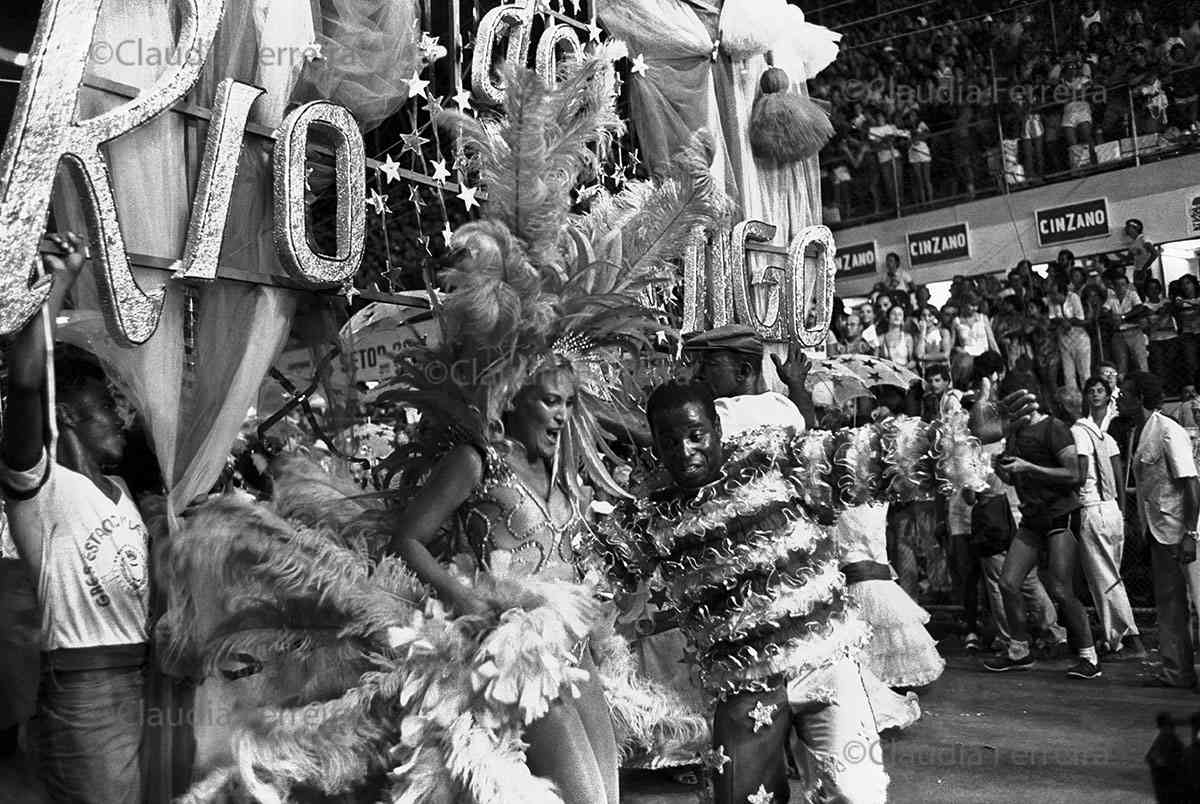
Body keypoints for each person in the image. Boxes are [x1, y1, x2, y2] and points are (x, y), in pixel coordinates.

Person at [599, 381, 888, 804]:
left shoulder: (773, 462)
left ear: (716, 428)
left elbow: (869, 457)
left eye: (697, 435)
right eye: (670, 441)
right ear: (655, 445)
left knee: (856, 792)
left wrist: (952, 445)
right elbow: (591, 574)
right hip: (743, 686)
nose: (686, 451)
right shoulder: (647, 513)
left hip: (826, 665)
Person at [1, 233, 149, 803]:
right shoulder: (39, 484)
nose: (120, 415)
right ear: (67, 413)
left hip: (138, 681)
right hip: (84, 693)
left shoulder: (119, 490)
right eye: (105, 406)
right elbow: (24, 383)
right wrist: (56, 284)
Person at [983, 379, 1099, 679]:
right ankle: (1019, 650)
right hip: (1033, 517)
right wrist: (1002, 468)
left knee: (1061, 588)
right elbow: (1013, 478)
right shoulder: (1016, 432)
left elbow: (1074, 474)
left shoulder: (1054, 428)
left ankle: (1089, 656)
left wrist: (1028, 467)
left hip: (1061, 514)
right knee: (1008, 582)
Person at [1121, 372, 1200, 690]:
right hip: (1158, 532)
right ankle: (1176, 671)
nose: (1120, 399)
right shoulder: (1136, 433)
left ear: (1140, 397)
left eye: (1125, 393)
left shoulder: (1169, 431)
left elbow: (1191, 485)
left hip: (1182, 532)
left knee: (1198, 601)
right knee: (1169, 603)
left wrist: (1190, 535)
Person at [1072, 377, 1147, 659]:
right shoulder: (1105, 435)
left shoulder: (1080, 432)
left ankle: (1132, 640)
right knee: (1108, 578)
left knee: (1105, 579)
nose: (1094, 397)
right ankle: (1115, 639)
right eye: (1089, 392)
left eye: (1098, 391)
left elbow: (1084, 476)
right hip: (1110, 510)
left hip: (1096, 509)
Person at [1105, 268, 1149, 374]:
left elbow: (1139, 308)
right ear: (1113, 287)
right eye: (1117, 285)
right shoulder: (1111, 297)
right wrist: (1112, 317)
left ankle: (1146, 387)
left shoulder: (1132, 294)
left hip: (1134, 332)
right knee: (1121, 364)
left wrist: (1123, 317)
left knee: (1141, 362)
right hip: (1118, 334)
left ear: (1127, 285)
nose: (1120, 287)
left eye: (1123, 284)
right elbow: (1104, 310)